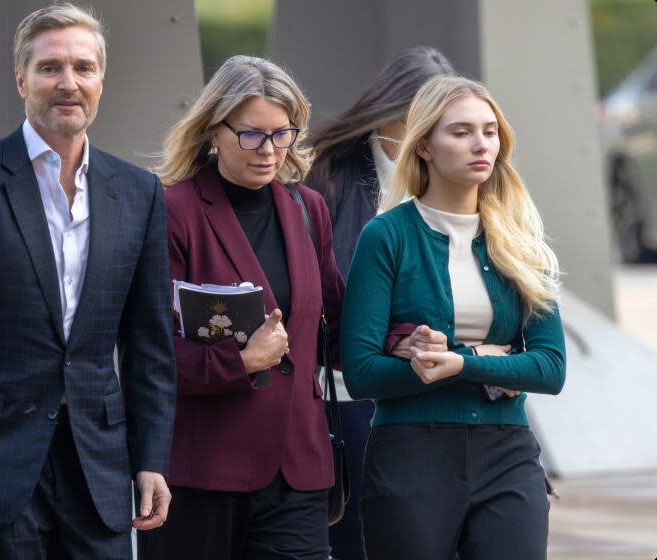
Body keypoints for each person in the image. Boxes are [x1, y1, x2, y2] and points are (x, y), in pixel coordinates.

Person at [0, 4, 176, 558]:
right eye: (51, 68)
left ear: (101, 80)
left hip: (99, 469)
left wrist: (151, 458)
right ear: (21, 80)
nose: (68, 83)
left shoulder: (139, 192)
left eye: (83, 67)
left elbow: (149, 343)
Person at [341, 76, 566, 560]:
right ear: (423, 145)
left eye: (489, 130)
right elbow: (360, 373)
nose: (480, 143)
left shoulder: (523, 241)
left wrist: (459, 362)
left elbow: (550, 368)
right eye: (460, 132)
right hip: (410, 453)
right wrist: (488, 359)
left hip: (507, 450)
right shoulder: (386, 236)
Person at [137, 55, 345, 560]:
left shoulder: (307, 207)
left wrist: (402, 336)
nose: (269, 150)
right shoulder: (173, 210)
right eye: (251, 135)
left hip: (297, 469)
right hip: (203, 470)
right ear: (214, 129)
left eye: (282, 134)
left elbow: (334, 324)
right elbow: (151, 353)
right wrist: (241, 361)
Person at [306, 45, 455, 560]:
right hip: (355, 398)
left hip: (441, 393)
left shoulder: (458, 179)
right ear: (392, 110)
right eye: (420, 118)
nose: (428, 135)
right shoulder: (330, 175)